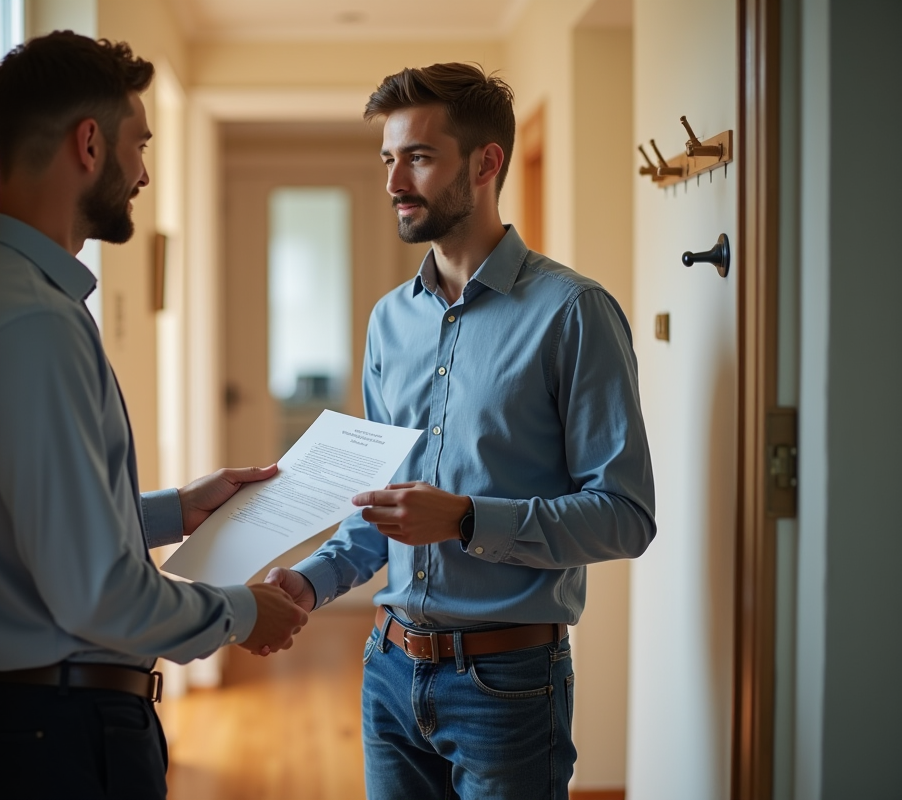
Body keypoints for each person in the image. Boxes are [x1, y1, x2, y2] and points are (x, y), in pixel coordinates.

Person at [0, 32, 307, 800]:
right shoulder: (28, 323)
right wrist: (239, 614)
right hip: (61, 733)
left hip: (44, 720)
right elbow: (95, 593)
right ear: (89, 144)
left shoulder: (2, 297)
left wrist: (176, 510)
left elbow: (30, 529)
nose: (145, 172)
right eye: (139, 144)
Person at [265, 63, 656, 799]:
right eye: (388, 159)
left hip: (507, 687)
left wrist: (469, 520)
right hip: (387, 671)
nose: (393, 182)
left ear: (486, 162)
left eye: (417, 156)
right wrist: (309, 584)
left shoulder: (573, 313)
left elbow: (627, 517)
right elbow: (377, 513)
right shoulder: (389, 321)